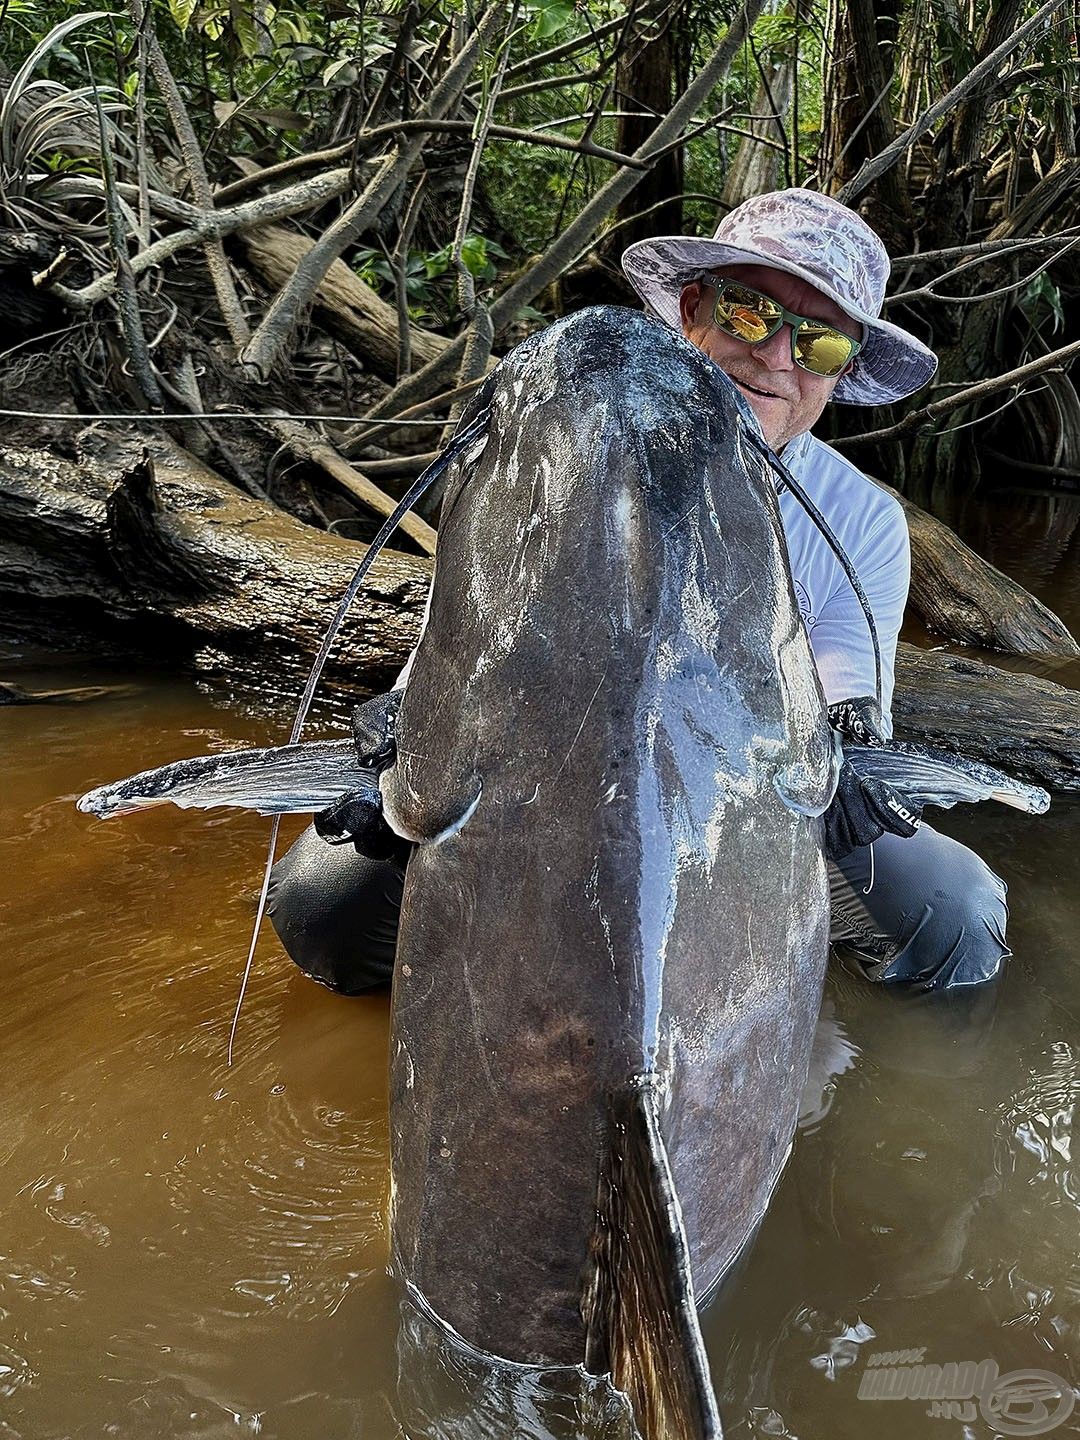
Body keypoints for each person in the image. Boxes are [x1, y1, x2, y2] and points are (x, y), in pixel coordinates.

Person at [269, 187, 1009, 996]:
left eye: (821, 345)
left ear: (843, 373)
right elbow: (466, 646)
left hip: (749, 805)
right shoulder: (554, 462)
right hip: (541, 792)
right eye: (751, 313)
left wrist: (846, 745)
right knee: (320, 906)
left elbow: (844, 683)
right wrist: (402, 731)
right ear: (691, 310)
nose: (775, 357)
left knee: (958, 918)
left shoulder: (860, 520)